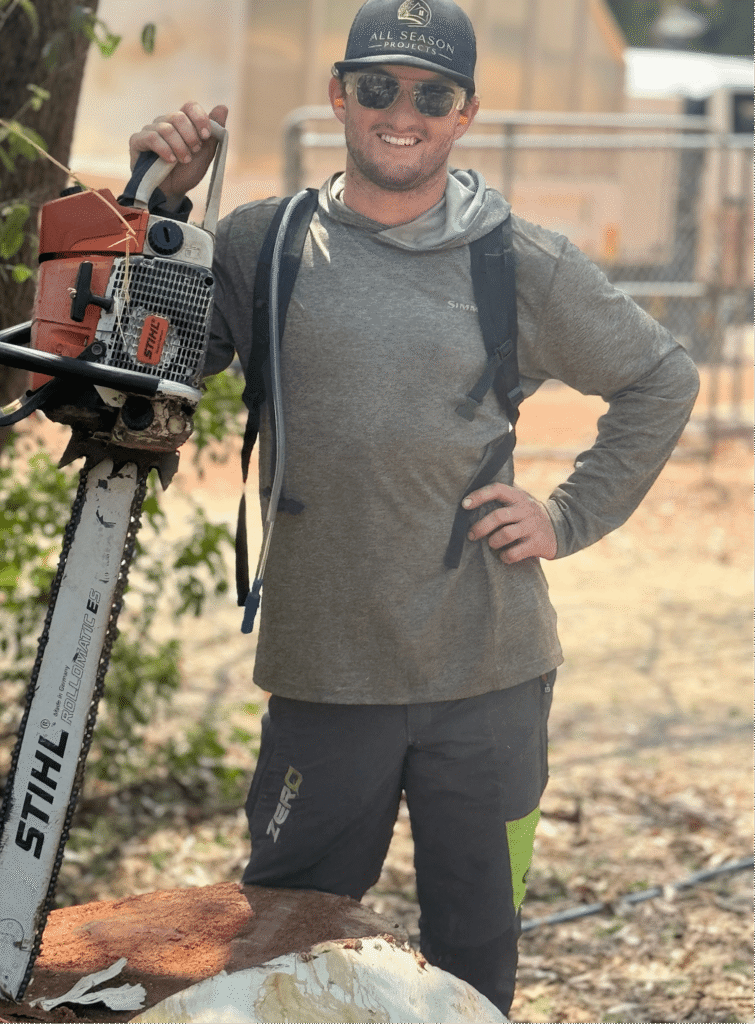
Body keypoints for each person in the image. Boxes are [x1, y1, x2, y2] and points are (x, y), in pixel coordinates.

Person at [129, 0, 699, 1014]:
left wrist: (566, 516)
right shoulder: (265, 243)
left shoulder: (518, 258)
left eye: (432, 95)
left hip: (490, 678)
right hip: (324, 675)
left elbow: (661, 377)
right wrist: (156, 200)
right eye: (380, 87)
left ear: (464, 112)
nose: (404, 113)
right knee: (284, 951)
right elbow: (142, 366)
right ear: (339, 95)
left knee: (476, 955)